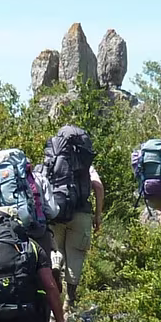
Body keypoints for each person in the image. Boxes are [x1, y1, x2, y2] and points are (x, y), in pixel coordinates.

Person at [41, 126, 106, 307]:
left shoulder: (52, 159)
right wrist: (98, 216)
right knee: (75, 257)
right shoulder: (86, 164)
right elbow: (98, 186)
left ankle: (54, 299)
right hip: (81, 215)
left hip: (57, 213)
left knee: (57, 252)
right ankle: (69, 303)